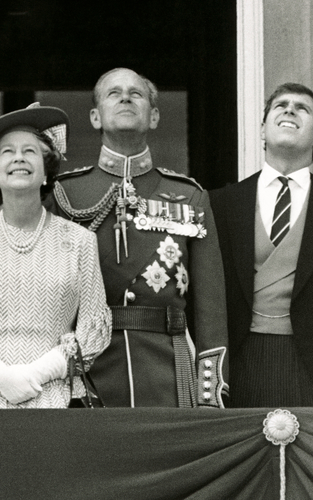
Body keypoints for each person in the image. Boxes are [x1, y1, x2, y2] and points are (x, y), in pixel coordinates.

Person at [49, 68, 228, 408]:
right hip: (86, 369)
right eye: (113, 93)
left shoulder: (188, 196)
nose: (126, 97)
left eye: (137, 93)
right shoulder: (65, 193)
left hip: (168, 369)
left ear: (155, 116)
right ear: (95, 116)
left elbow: (211, 306)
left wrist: (209, 392)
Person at [0, 104, 111, 409]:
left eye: (30, 151)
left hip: (56, 402)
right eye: (7, 152)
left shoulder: (80, 241)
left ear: (46, 171)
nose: (19, 157)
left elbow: (92, 328)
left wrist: (37, 373)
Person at [211, 83, 313, 407]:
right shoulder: (220, 204)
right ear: (262, 130)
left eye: (303, 108)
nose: (290, 110)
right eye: (280, 105)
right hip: (237, 365)